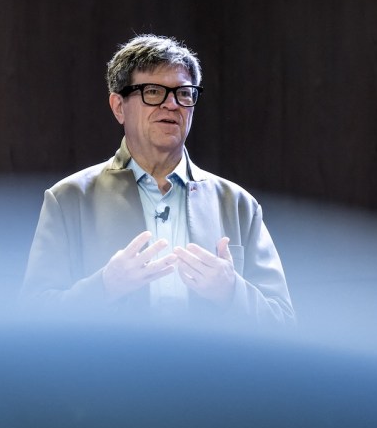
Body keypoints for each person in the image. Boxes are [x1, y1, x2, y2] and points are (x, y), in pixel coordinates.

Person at [20, 34, 294, 326]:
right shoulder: (68, 199)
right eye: (152, 91)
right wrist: (104, 287)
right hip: (111, 370)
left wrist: (232, 291)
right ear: (118, 106)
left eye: (184, 93)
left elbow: (284, 322)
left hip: (210, 371)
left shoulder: (238, 204)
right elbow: (33, 315)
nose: (172, 105)